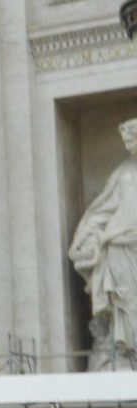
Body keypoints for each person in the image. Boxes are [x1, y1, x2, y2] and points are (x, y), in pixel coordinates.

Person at [69, 118, 137, 370]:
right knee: (122, 297)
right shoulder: (124, 175)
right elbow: (101, 212)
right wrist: (88, 238)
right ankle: (123, 347)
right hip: (120, 247)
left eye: (133, 140)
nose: (131, 147)